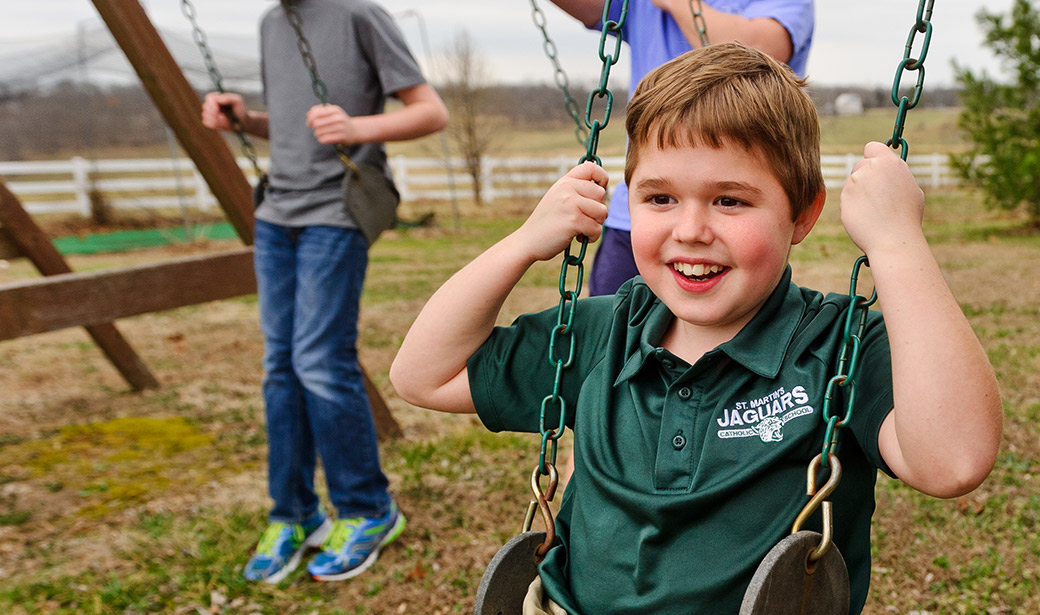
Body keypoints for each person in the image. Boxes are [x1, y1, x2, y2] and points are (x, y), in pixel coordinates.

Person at [389, 44, 1002, 614]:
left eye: (729, 201)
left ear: (803, 213)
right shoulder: (608, 331)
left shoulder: (836, 346)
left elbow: (952, 461)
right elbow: (423, 375)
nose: (690, 230)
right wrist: (522, 244)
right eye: (660, 199)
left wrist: (897, 245)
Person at [201, 0, 448, 584]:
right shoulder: (270, 23)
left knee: (318, 357)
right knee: (279, 365)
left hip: (335, 209)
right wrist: (247, 120)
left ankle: (368, 508)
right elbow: (296, 126)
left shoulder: (360, 14)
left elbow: (430, 111)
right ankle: (295, 513)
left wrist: (360, 128)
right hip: (277, 211)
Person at [548, 0, 815, 296]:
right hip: (637, 219)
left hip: (728, 219)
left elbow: (760, 54)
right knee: (614, 333)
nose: (689, 232)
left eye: (729, 201)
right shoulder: (640, 6)